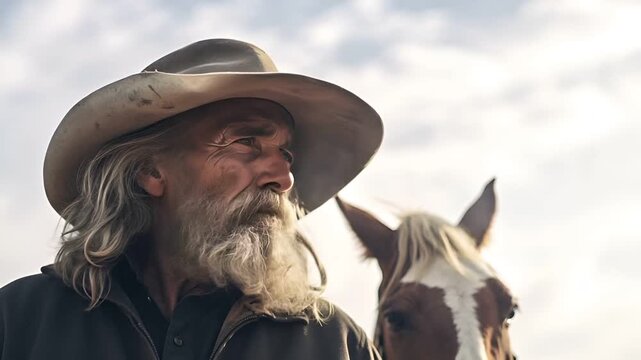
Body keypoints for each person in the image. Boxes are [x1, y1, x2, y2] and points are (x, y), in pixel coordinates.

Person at [0, 39, 383, 360]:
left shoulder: (336, 345)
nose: (283, 179)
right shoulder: (20, 322)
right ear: (150, 171)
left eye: (286, 155)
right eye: (247, 141)